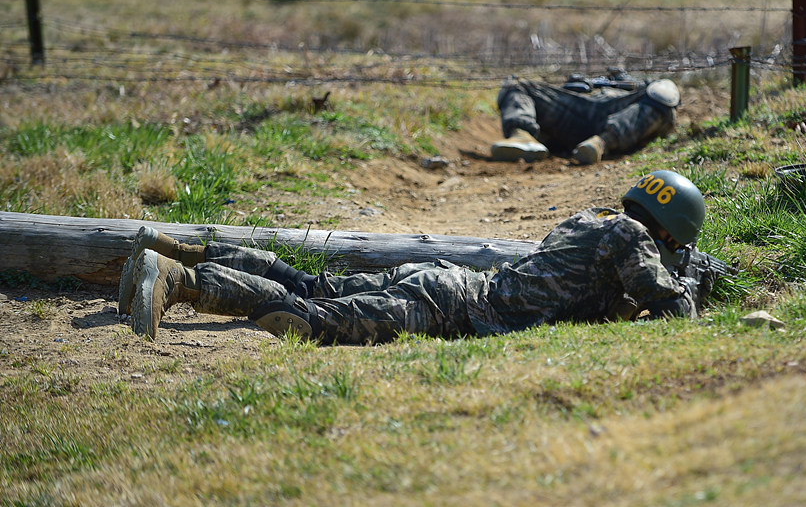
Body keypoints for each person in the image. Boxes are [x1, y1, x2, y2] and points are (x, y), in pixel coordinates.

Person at [121, 170, 712, 344]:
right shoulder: (633, 240)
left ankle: (178, 250)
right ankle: (184, 282)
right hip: (450, 304)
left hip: (448, 285)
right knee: (315, 318)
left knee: (315, 286)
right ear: (669, 231)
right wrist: (689, 288)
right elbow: (669, 310)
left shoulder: (593, 221)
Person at [490, 70, 681, 165]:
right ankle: (521, 136)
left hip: (619, 112)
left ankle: (599, 144)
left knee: (662, 96)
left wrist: (630, 85)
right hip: (575, 111)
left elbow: (667, 111)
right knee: (516, 84)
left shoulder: (640, 90)